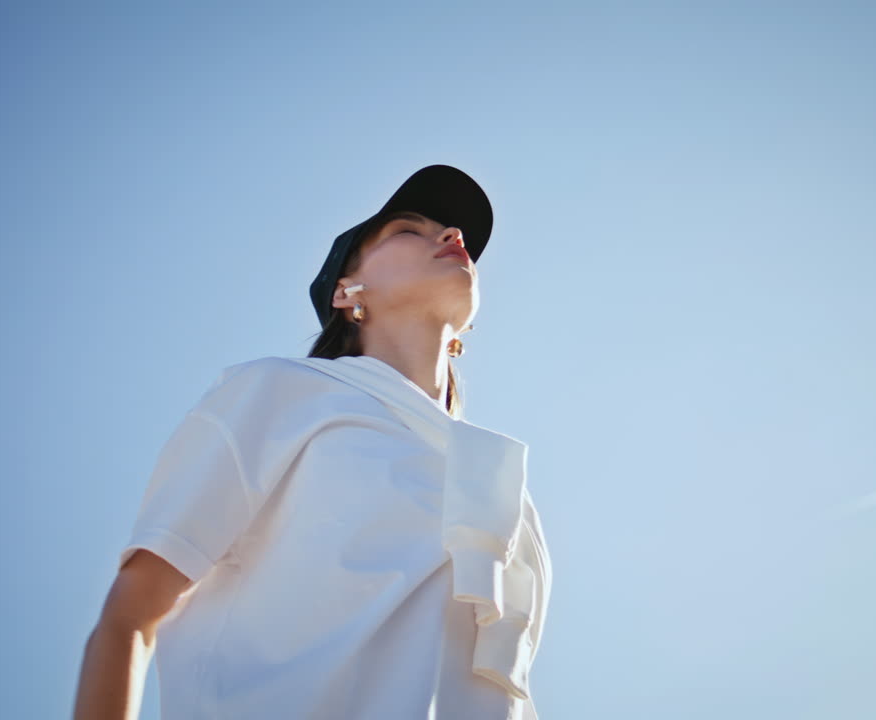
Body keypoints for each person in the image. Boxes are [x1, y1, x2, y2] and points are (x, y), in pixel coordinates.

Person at [73, 165, 551, 719]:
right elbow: (129, 618)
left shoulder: (505, 489)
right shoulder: (282, 392)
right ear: (348, 293)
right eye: (407, 229)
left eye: (451, 231)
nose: (452, 236)